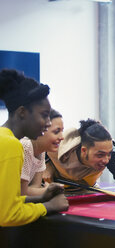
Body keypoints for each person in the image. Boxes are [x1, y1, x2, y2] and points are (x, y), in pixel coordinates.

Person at [43, 118, 115, 209]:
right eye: (99, 155)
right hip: (53, 191)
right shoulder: (61, 144)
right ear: (84, 150)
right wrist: (46, 166)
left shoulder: (110, 151)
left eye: (108, 154)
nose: (106, 160)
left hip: (84, 191)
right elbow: (34, 146)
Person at [0, 69, 68, 227]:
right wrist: (48, 206)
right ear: (22, 112)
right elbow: (7, 215)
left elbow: (5, 201)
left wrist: (41, 197)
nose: (49, 122)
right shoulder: (11, 145)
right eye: (44, 115)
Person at [20, 109, 64, 196]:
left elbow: (35, 187)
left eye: (62, 131)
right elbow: (21, 193)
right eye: (56, 131)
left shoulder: (41, 150)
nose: (62, 137)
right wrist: (48, 190)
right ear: (41, 129)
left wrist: (46, 190)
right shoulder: (26, 146)